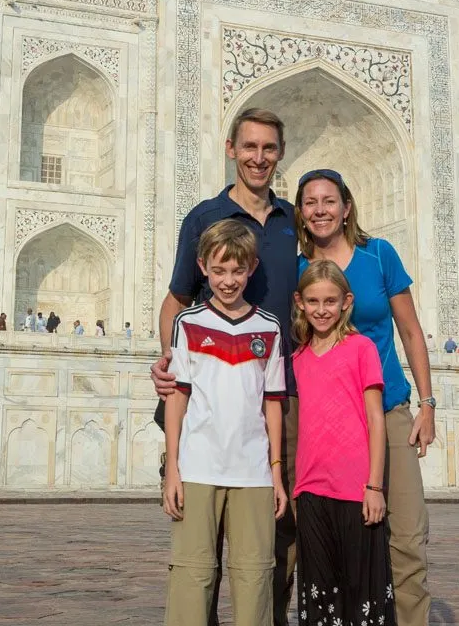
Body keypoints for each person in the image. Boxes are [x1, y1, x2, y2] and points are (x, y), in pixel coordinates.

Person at [151, 108, 298, 626]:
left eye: (270, 148)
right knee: (196, 560)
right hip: (206, 411)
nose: (259, 158)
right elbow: (175, 301)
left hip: (277, 397)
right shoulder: (205, 217)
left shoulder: (292, 220)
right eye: (250, 147)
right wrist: (167, 360)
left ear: (280, 153)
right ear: (231, 148)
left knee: (269, 554)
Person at [295, 168, 433, 626]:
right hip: (321, 420)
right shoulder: (296, 269)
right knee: (307, 538)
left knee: (406, 537)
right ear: (301, 211)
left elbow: (410, 331)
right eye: (311, 202)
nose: (320, 210)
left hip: (386, 409)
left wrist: (427, 404)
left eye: (329, 201)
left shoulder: (378, 256)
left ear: (346, 206)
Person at [163, 219, 287, 626]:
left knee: (255, 575)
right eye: (219, 271)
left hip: (252, 470)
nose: (228, 281)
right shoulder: (189, 323)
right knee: (192, 573)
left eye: (237, 271)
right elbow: (178, 397)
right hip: (198, 465)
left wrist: (277, 474)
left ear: (251, 268)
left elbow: (272, 404)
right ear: (202, 267)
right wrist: (172, 469)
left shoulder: (268, 328)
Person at [293, 259, 396, 626]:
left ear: (346, 301)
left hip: (356, 490)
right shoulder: (298, 357)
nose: (322, 310)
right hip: (310, 489)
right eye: (314, 301)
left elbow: (375, 420)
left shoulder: (361, 348)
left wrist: (374, 485)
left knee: (362, 589)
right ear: (300, 302)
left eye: (330, 301)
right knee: (319, 594)